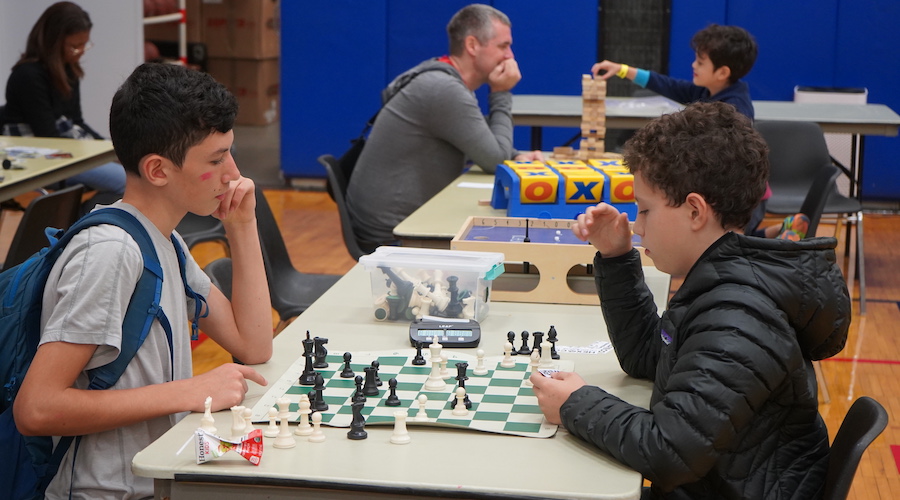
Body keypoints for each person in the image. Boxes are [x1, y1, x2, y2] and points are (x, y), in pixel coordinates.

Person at [531, 102, 850, 499]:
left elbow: (669, 450)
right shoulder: (721, 280)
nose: (638, 225)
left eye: (645, 210)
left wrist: (575, 404)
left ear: (695, 210)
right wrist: (616, 257)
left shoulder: (738, 317)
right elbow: (650, 357)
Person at [13, 62, 273, 499]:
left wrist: (242, 226)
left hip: (154, 479)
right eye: (215, 159)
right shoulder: (111, 253)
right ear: (157, 170)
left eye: (230, 152)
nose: (234, 174)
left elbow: (254, 344)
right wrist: (187, 391)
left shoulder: (165, 240)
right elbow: (37, 409)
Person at [346, 3, 543, 247]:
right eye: (503, 46)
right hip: (392, 236)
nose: (510, 56)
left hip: (397, 222)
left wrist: (516, 155)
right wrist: (501, 92)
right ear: (472, 45)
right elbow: (496, 160)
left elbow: (479, 140)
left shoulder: (446, 78)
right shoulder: (444, 89)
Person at [592, 24, 769, 235]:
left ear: (722, 72)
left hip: (742, 198)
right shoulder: (710, 89)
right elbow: (668, 85)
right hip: (729, 191)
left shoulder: (737, 111)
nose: (693, 65)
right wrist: (622, 70)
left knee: (724, 239)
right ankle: (773, 234)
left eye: (701, 62)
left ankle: (772, 240)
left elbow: (732, 167)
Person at [0, 1, 126, 199]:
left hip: (64, 154)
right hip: (39, 161)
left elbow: (76, 121)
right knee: (125, 181)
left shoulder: (69, 71)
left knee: (131, 169)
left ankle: (83, 217)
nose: (81, 51)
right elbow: (47, 137)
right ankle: (82, 222)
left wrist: (111, 148)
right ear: (54, 42)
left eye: (84, 45)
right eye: (75, 46)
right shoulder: (28, 76)